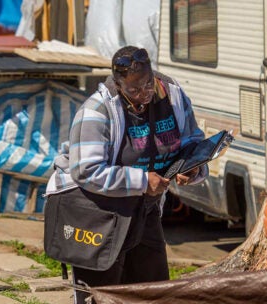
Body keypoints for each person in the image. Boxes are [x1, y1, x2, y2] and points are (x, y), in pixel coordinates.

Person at [45, 46, 207, 302]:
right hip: (99, 215)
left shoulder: (173, 96)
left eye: (147, 84)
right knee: (102, 295)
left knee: (153, 292)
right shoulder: (96, 111)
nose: (144, 93)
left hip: (145, 211)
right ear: (119, 86)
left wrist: (193, 165)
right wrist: (142, 181)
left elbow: (193, 139)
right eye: (134, 89)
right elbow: (85, 171)